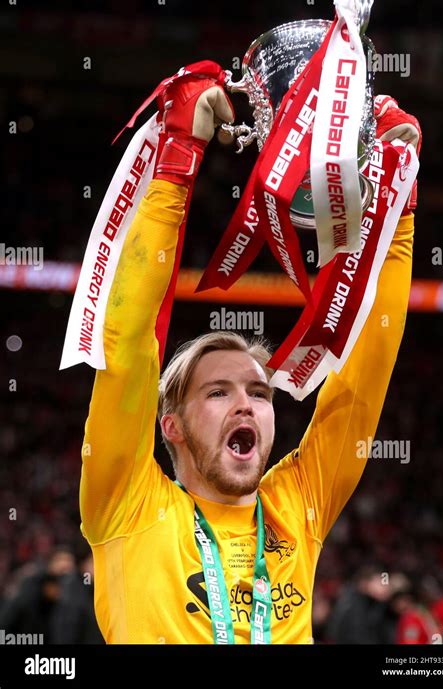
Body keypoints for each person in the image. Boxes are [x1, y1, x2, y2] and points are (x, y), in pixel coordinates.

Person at [79, 69, 421, 643]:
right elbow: (128, 343)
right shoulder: (126, 503)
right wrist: (177, 161)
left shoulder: (297, 505)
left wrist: (398, 205)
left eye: (259, 393)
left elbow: (365, 373)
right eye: (218, 392)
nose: (247, 404)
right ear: (173, 426)